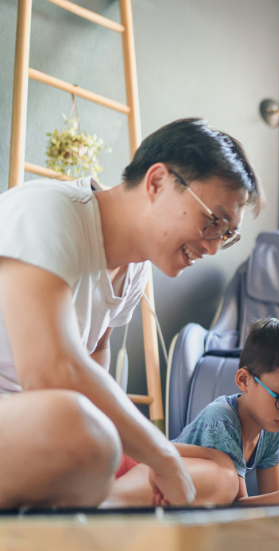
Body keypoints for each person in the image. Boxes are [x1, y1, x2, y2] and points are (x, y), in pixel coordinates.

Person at [0, 118, 261, 508]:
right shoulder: (48, 212)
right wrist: (159, 455)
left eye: (225, 235)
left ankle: (95, 500)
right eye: (213, 221)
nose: (211, 247)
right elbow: (50, 371)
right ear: (156, 182)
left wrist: (155, 457)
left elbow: (93, 356)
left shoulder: (134, 269)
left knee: (220, 474)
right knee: (81, 431)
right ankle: (90, 496)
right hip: (33, 421)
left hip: (46, 429)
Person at [107, 318, 279, 519]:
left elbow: (273, 505)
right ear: (244, 380)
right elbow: (236, 505)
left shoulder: (272, 426)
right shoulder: (222, 420)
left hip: (165, 493)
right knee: (225, 478)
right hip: (134, 472)